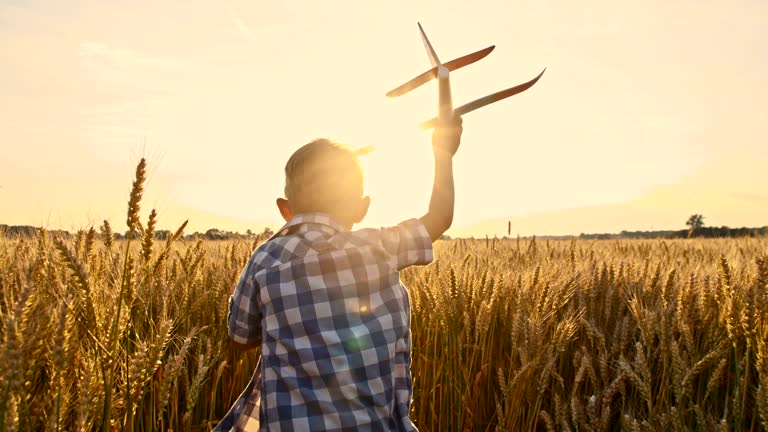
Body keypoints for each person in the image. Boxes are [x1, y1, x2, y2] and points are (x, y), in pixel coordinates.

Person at [215, 115, 463, 431]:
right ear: (362, 208)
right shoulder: (380, 247)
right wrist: (443, 153)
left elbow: (240, 338)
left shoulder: (265, 259)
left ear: (284, 208)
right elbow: (440, 217)